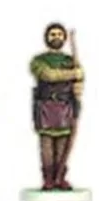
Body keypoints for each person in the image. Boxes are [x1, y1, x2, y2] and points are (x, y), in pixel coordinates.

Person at [30, 22, 84, 190]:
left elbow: (79, 79)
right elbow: (48, 75)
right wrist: (73, 73)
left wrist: (78, 83)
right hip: (45, 107)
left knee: (62, 144)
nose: (56, 37)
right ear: (47, 37)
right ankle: (48, 178)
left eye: (59, 34)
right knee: (46, 144)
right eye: (53, 34)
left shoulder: (70, 61)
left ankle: (59, 177)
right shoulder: (38, 61)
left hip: (65, 107)